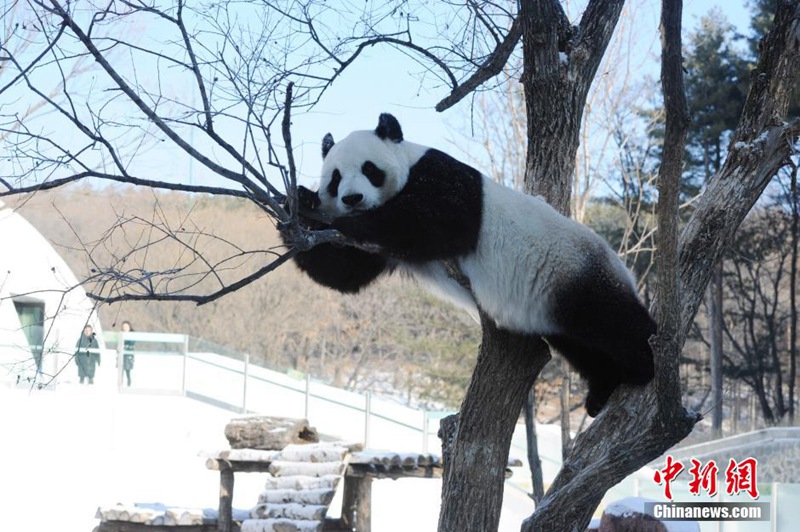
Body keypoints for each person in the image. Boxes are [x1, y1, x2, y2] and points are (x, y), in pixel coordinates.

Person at [120, 321, 135, 387]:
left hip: (128, 354)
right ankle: (120, 383)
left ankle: (129, 382)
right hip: (121, 354)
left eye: (126, 326)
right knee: (121, 368)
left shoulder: (132, 334)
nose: (125, 328)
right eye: (124, 326)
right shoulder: (121, 334)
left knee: (127, 369)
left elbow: (132, 342)